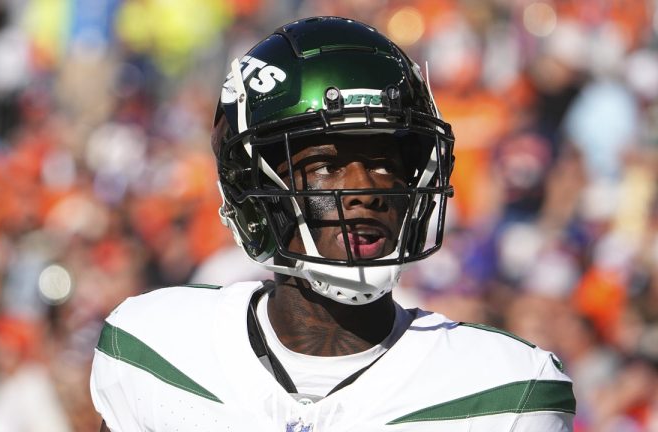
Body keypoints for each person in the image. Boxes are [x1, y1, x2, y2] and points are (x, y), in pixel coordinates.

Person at [90, 16, 575, 431]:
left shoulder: (503, 391)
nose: (365, 189)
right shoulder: (154, 348)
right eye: (325, 164)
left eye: (384, 163)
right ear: (252, 189)